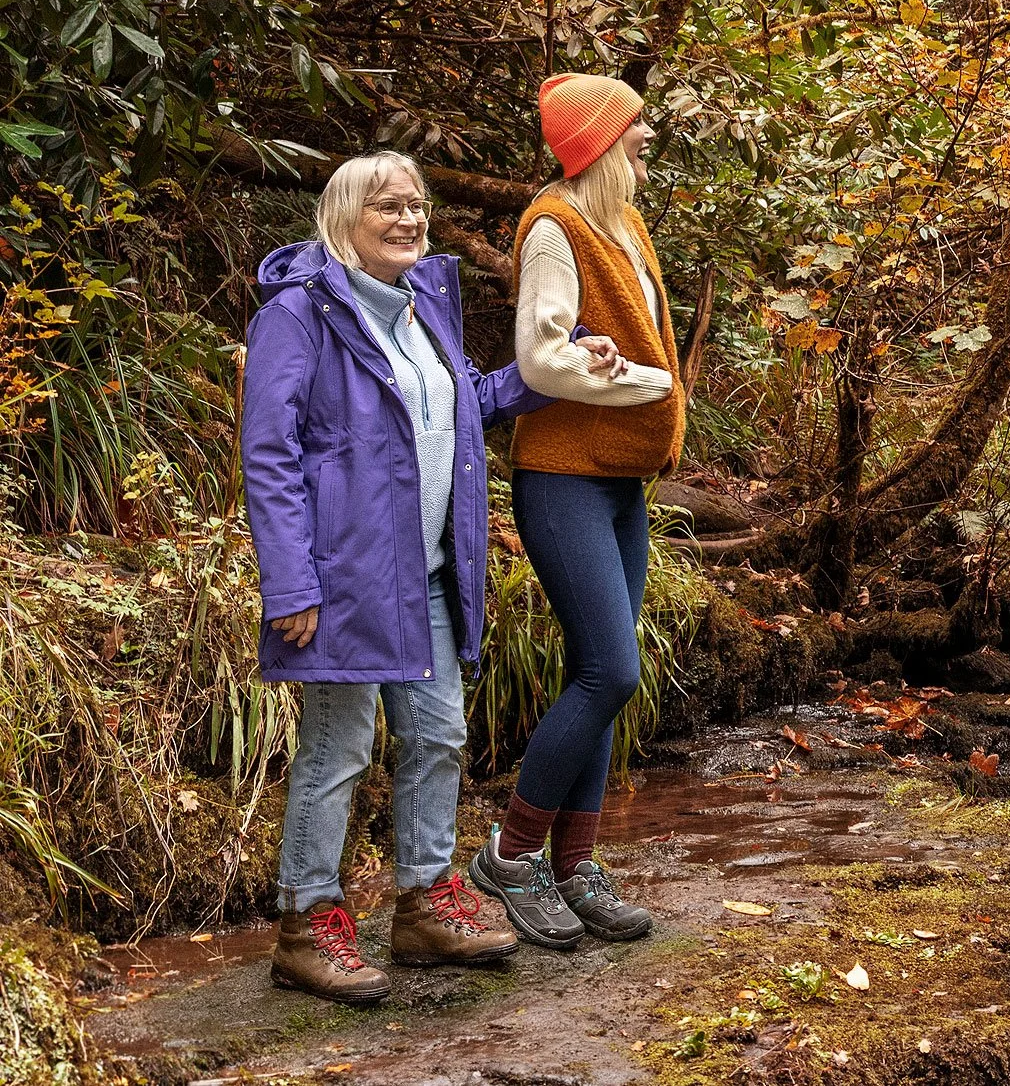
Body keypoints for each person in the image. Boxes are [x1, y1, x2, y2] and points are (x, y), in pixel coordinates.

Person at [241, 151, 624, 1001]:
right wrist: (290, 582)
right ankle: (305, 924)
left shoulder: (422, 309)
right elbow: (269, 455)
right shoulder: (298, 316)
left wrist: (554, 367)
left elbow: (467, 400)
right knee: (336, 752)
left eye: (417, 205)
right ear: (346, 219)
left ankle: (422, 902)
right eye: (389, 207)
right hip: (342, 580)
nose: (410, 219)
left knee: (440, 735)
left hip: (428, 577)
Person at [469, 72, 683, 950]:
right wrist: (649, 384)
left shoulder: (619, 219)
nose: (646, 138)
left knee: (595, 673)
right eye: (634, 127)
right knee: (612, 670)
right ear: (597, 141)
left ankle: (576, 866)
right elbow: (541, 358)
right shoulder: (554, 227)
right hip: (562, 479)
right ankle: (511, 853)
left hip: (617, 481)